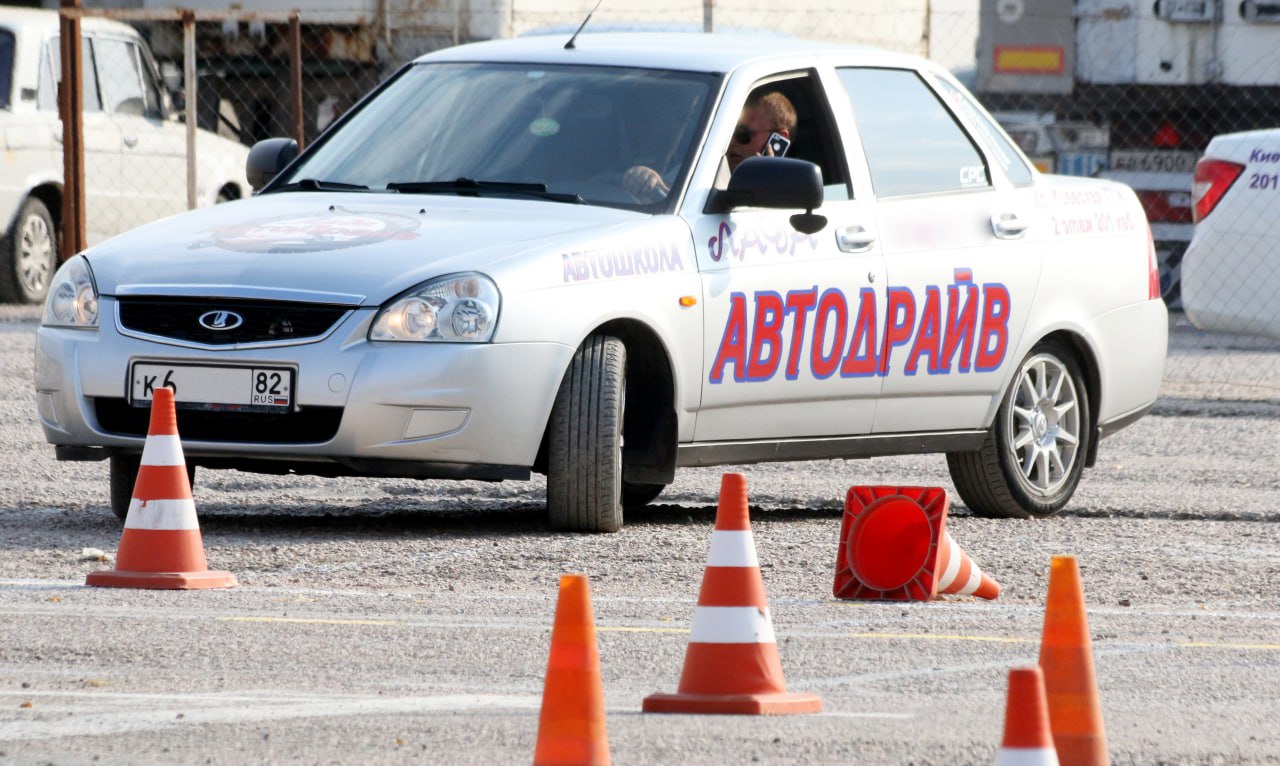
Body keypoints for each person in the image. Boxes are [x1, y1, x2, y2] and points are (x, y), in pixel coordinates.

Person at [622, 90, 797, 204]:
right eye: (727, 133)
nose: (732, 143)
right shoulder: (702, 167)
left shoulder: (796, 191)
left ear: (778, 139)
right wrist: (648, 181)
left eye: (744, 134)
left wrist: (765, 183)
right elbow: (670, 197)